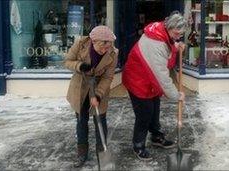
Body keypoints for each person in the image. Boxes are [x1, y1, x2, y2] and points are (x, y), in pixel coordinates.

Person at [122, 11, 187, 161]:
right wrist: (176, 95)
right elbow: (162, 77)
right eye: (177, 34)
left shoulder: (162, 32)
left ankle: (156, 137)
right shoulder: (155, 44)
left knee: (155, 109)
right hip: (138, 80)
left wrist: (176, 46)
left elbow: (168, 46)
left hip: (149, 80)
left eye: (181, 35)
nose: (178, 37)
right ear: (169, 27)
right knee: (144, 114)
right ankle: (138, 145)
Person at [64, 26, 118, 167]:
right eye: (102, 47)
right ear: (93, 41)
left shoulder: (112, 53)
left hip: (99, 87)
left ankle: (102, 153)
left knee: (100, 120)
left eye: (107, 47)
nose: (104, 50)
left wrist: (99, 95)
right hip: (80, 87)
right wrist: (80, 66)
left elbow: (108, 77)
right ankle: (82, 153)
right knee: (81, 121)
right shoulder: (80, 44)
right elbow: (67, 61)